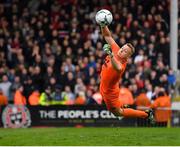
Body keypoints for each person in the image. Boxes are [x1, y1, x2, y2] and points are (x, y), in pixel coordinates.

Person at [98, 21, 154, 123]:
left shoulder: (122, 64)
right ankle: (124, 105)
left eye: (124, 51)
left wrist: (110, 55)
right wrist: (103, 25)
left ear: (128, 56)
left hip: (110, 93)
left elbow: (117, 68)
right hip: (104, 86)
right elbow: (107, 36)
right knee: (118, 109)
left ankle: (146, 114)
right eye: (123, 48)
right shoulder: (116, 49)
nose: (121, 50)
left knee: (118, 112)